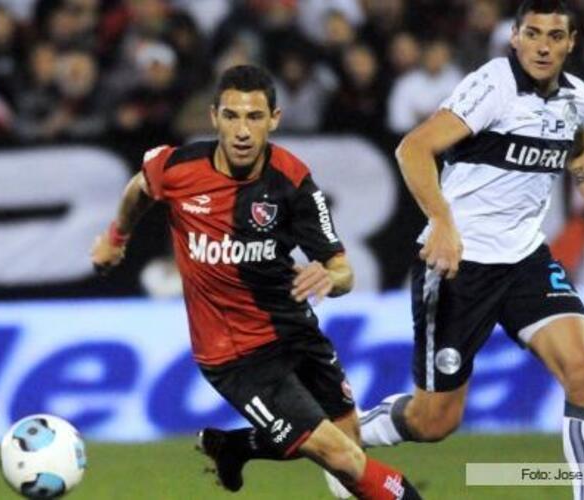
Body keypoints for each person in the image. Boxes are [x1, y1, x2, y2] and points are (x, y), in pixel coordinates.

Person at [91, 65, 422, 500]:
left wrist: (330, 275)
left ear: (275, 119)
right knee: (343, 458)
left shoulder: (292, 181)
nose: (242, 131)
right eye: (231, 116)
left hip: (294, 331)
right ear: (214, 117)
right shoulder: (177, 167)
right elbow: (139, 188)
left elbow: (342, 269)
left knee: (347, 440)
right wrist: (117, 237)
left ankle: (234, 446)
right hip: (236, 356)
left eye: (254, 117)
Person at [357, 2, 584, 500]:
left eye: (555, 36)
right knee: (433, 421)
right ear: (514, 38)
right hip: (458, 264)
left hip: (525, 260)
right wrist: (443, 223)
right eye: (532, 34)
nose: (543, 45)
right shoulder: (494, 85)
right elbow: (413, 149)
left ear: (571, 43)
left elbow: (581, 151)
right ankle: (343, 440)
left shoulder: (577, 97)